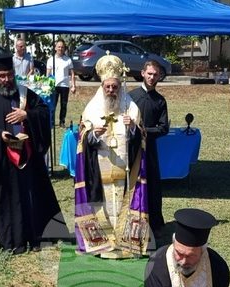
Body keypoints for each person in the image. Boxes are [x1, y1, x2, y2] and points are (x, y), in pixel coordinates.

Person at [0, 54, 64, 253]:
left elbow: (44, 113)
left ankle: (37, 238)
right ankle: (13, 241)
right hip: (5, 162)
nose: (6, 80)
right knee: (10, 200)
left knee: (33, 196)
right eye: (1, 76)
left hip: (29, 159)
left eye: (9, 75)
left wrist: (27, 115)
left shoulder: (27, 95)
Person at [75, 54, 148, 257]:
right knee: (104, 206)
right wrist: (93, 135)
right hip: (99, 169)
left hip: (126, 169)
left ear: (120, 86)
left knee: (124, 203)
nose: (111, 90)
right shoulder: (92, 108)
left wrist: (132, 128)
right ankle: (101, 243)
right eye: (107, 87)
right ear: (102, 86)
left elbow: (142, 137)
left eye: (114, 87)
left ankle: (127, 243)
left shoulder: (130, 107)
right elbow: (82, 138)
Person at [129, 60, 169, 234]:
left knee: (152, 185)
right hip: (131, 148)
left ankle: (154, 223)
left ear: (159, 76)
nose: (152, 77)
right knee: (132, 184)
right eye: (149, 73)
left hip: (150, 149)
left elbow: (163, 128)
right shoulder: (131, 97)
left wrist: (145, 131)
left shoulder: (160, 101)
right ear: (143, 73)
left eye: (155, 74)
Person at [46, 39, 75, 128]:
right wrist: (47, 85)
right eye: (59, 47)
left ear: (64, 48)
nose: (60, 48)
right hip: (54, 86)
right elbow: (48, 74)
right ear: (55, 48)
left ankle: (62, 122)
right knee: (52, 105)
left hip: (65, 86)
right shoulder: (51, 60)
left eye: (62, 47)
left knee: (64, 105)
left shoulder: (68, 60)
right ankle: (51, 122)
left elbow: (72, 74)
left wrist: (73, 85)